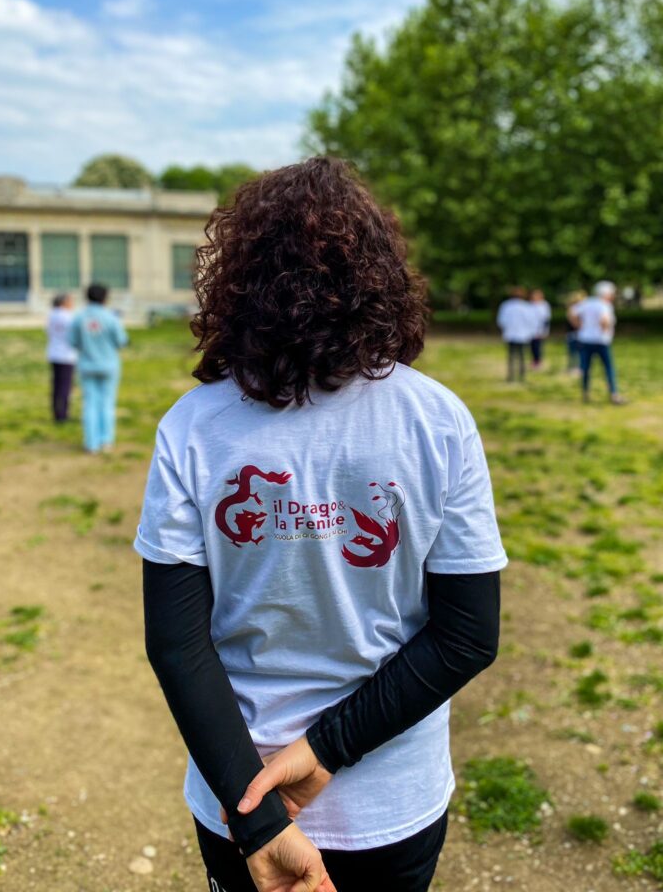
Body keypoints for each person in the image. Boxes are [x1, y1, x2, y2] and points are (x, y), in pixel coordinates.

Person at [135, 157, 508, 892]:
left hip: (238, 798)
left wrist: (262, 818)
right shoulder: (438, 421)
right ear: (380, 275)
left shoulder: (193, 426)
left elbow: (178, 644)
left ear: (239, 282)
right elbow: (468, 634)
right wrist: (311, 771)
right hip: (388, 803)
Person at [68, 284, 127, 452]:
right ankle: (106, 441)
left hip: (86, 365)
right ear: (105, 298)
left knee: (90, 404)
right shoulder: (111, 317)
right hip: (109, 365)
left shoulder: (79, 317)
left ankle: (91, 443)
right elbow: (121, 341)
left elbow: (72, 341)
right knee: (107, 403)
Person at [569, 281, 625, 405]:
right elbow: (604, 320)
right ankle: (614, 394)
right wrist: (604, 331)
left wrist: (579, 326)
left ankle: (585, 394)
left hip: (585, 340)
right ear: (606, 293)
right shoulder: (605, 305)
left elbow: (572, 312)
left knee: (586, 368)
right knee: (608, 368)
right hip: (601, 341)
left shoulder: (587, 302)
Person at [46, 293, 77, 423]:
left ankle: (56, 411)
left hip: (54, 353)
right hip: (67, 355)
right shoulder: (68, 317)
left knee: (56, 385)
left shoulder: (52, 315)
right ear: (64, 302)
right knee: (66, 386)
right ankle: (63, 414)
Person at [496, 286, 534, 382]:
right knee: (522, 356)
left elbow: (501, 320)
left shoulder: (506, 306)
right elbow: (531, 321)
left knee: (511, 356)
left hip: (510, 334)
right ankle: (522, 375)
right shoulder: (526, 306)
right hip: (523, 335)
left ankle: (511, 376)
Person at [528, 289, 551, 369]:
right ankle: (534, 360)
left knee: (538, 346)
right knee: (532, 346)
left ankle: (538, 361)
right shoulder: (530, 304)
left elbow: (546, 319)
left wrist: (544, 331)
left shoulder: (544, 305)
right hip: (530, 329)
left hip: (539, 329)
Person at [564, 291, 585, 375]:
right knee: (574, 352)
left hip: (574, 333)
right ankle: (574, 368)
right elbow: (574, 322)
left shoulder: (574, 308)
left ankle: (575, 367)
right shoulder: (574, 309)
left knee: (576, 352)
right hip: (574, 333)